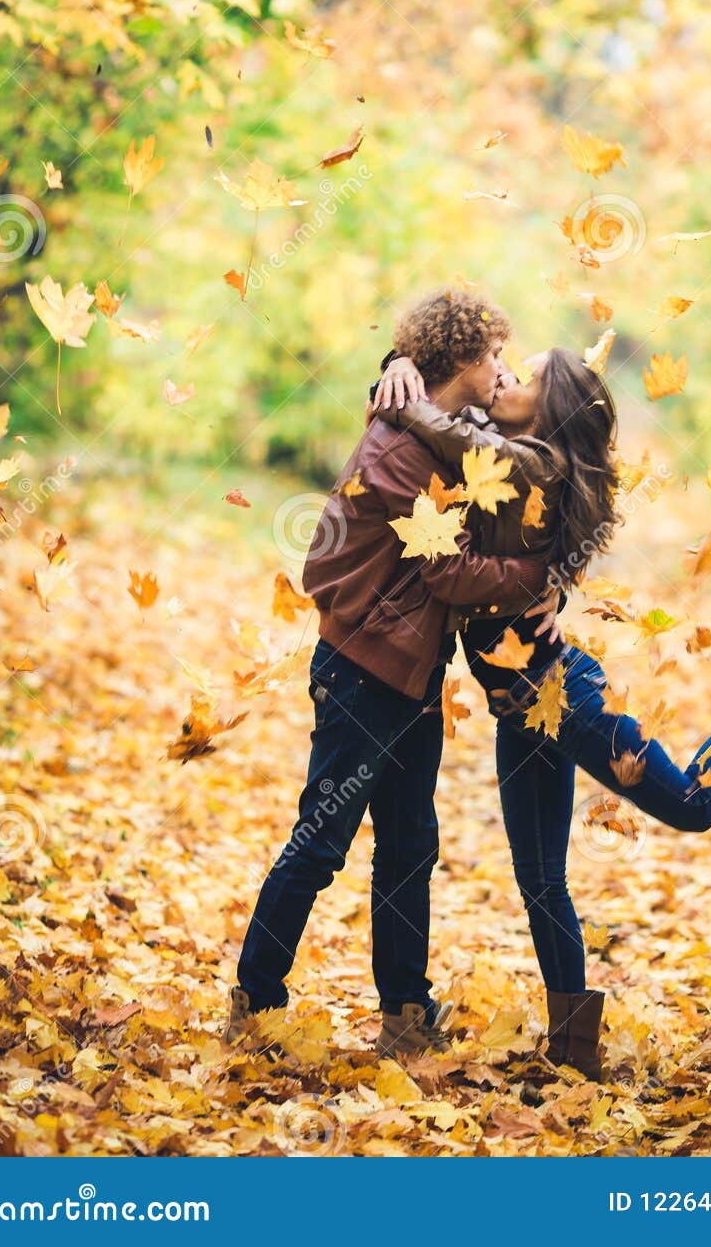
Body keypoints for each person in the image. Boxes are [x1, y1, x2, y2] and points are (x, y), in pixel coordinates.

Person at [373, 345, 711, 1079]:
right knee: (538, 878)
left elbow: (454, 430)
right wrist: (401, 357)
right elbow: (459, 400)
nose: (505, 379)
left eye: (523, 378)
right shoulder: (518, 456)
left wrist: (401, 394)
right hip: (519, 708)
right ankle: (572, 1044)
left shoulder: (531, 463)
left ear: (552, 409)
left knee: (691, 806)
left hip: (561, 696)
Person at [226, 290, 556, 1058]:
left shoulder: (445, 429)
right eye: (493, 354)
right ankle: (256, 1003)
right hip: (361, 671)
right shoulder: (397, 451)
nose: (503, 367)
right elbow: (447, 572)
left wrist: (557, 578)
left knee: (409, 844)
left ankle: (405, 1012)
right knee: (322, 840)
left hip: (410, 671)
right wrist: (530, 576)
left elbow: (507, 468)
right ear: (462, 360)